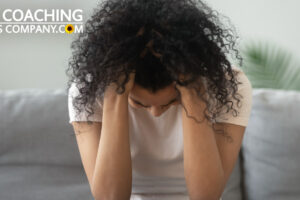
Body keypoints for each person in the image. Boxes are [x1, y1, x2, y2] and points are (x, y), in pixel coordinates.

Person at [66, 0, 253, 199]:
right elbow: (110, 198)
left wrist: (193, 93)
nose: (156, 113)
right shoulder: (88, 90)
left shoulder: (230, 86)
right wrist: (114, 97)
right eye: (139, 103)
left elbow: (206, 197)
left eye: (171, 102)